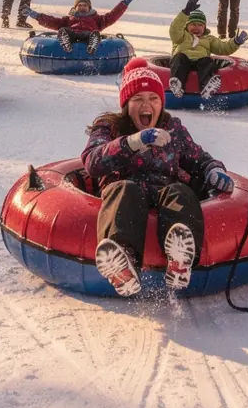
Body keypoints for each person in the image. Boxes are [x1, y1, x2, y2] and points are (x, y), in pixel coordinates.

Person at [82, 57, 234, 296]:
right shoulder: (109, 126)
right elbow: (92, 162)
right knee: (125, 190)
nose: (147, 105)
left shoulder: (172, 128)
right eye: (138, 99)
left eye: (153, 98)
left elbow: (198, 157)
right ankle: (122, 262)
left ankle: (180, 259)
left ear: (161, 103)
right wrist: (132, 142)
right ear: (126, 104)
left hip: (164, 191)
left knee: (181, 192)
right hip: (124, 192)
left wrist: (213, 169)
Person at [168, 0, 247, 100]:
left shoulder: (209, 39)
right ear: (186, 26)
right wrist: (185, 12)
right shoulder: (181, 36)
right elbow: (174, 30)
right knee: (179, 58)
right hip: (183, 60)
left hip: (199, 62)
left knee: (207, 61)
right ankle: (177, 84)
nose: (196, 27)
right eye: (193, 24)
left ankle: (206, 86)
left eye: (200, 25)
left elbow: (223, 48)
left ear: (204, 27)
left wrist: (235, 42)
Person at [24, 0, 138, 53]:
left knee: (93, 33)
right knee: (63, 30)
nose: (82, 7)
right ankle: (65, 42)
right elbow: (52, 21)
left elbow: (112, 16)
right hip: (72, 35)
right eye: (79, 5)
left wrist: (125, 3)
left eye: (84, 5)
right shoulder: (68, 19)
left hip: (87, 35)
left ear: (89, 7)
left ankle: (93, 44)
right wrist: (36, 15)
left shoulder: (97, 19)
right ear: (75, 7)